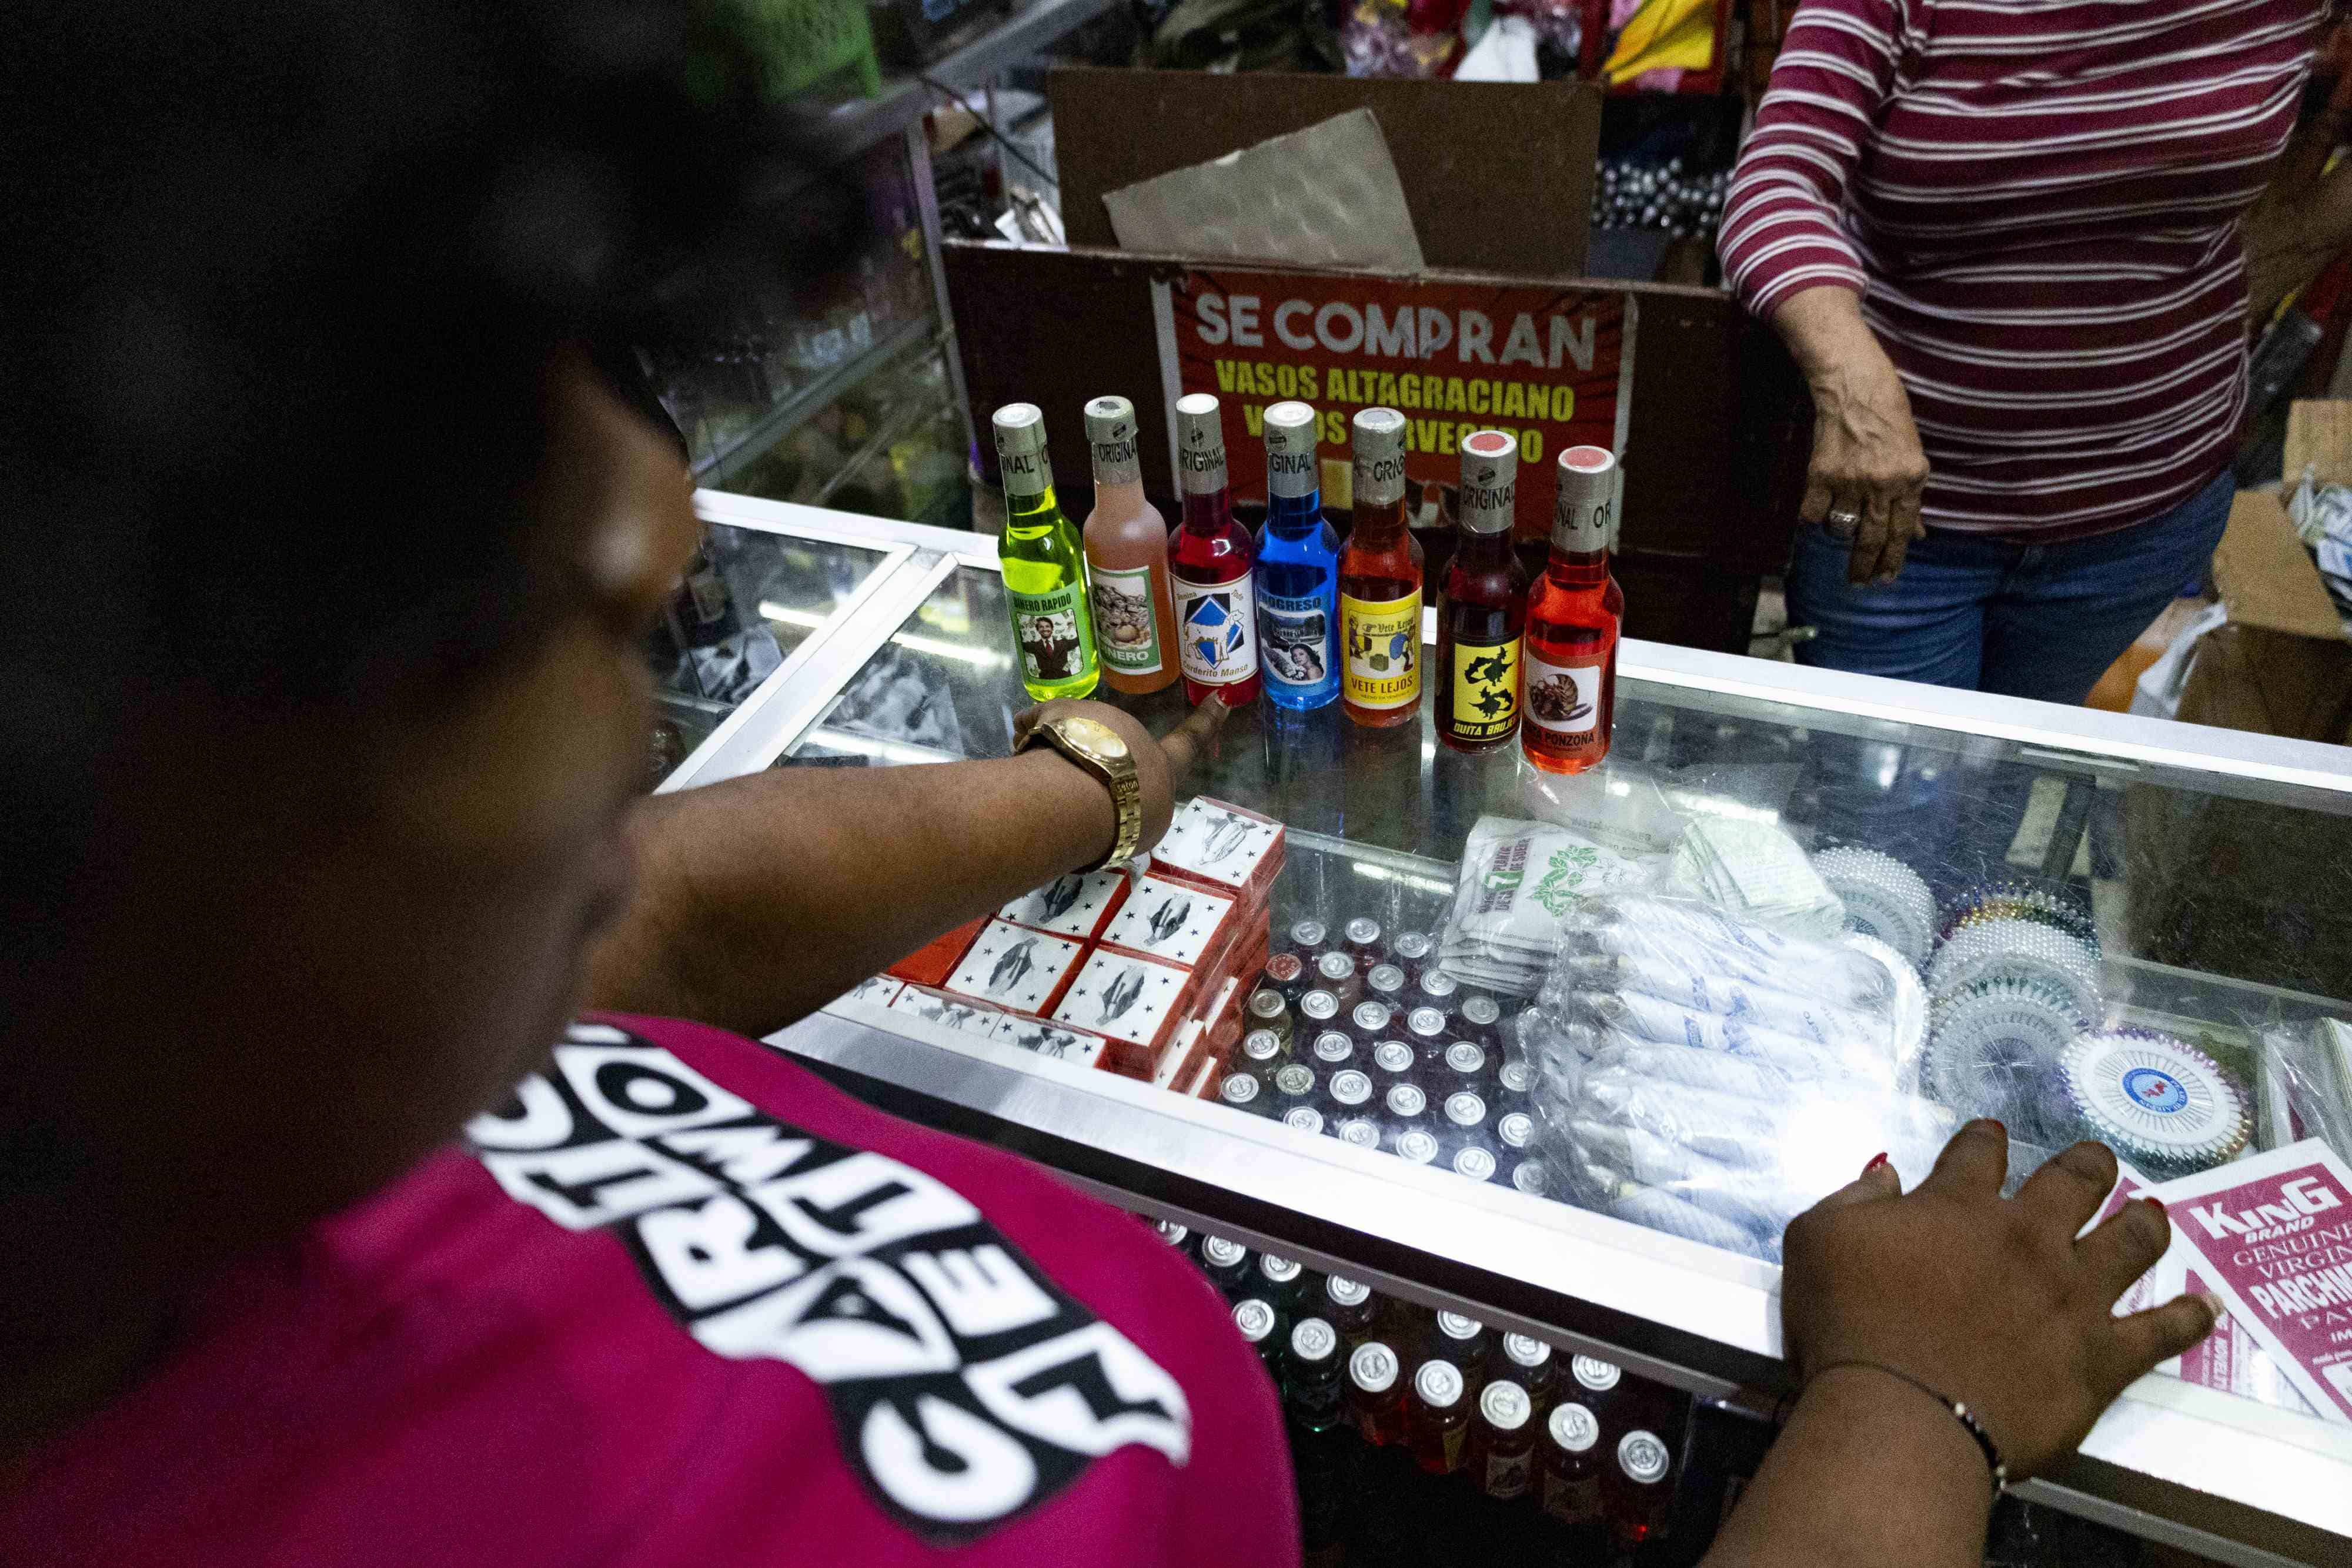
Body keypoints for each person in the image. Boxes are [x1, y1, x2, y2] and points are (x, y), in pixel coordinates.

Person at [2, 4, 2216, 1564]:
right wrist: (1898, 1420)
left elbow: (646, 912)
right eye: (414, 477)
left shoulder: (284, 1078)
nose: (650, 526)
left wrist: (1092, 781)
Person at [1720, 0, 2346, 703]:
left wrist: (2306, 232)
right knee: (1889, 799)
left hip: (2147, 510)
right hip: (1904, 518)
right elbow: (1777, 184)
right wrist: (1853, 383)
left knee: (2009, 775)